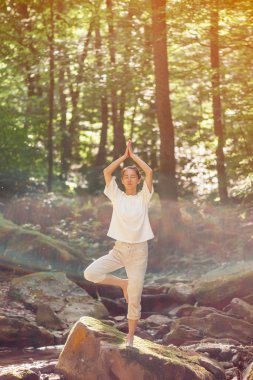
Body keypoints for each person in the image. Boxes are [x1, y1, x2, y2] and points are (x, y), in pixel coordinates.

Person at [84, 140, 154, 347]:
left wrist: (134, 157)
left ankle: (130, 337)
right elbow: (107, 172)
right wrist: (124, 157)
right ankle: (122, 283)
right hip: (119, 249)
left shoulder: (144, 197)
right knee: (90, 274)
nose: (130, 179)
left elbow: (149, 172)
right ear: (122, 180)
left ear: (138, 180)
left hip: (139, 252)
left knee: (134, 298)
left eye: (133, 177)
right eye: (126, 177)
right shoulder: (117, 196)